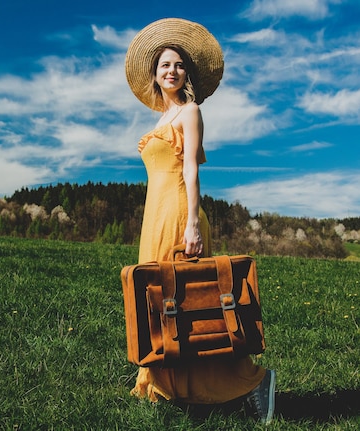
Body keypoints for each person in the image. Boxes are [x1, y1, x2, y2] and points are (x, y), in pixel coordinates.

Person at [124, 18, 276, 424]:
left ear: (186, 72)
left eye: (177, 64)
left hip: (177, 210)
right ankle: (164, 382)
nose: (171, 71)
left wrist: (192, 223)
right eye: (164, 66)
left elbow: (190, 169)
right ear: (155, 76)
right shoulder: (160, 119)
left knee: (191, 303)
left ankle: (250, 380)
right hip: (153, 215)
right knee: (158, 300)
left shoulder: (190, 112)